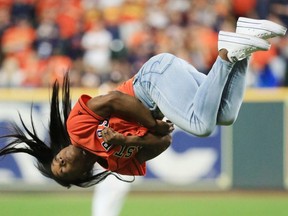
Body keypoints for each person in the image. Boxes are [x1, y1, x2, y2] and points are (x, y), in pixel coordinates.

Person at [0, 17, 286, 188]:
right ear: (79, 176)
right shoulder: (118, 165)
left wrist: (151, 125)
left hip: (151, 81)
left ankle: (225, 53)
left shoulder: (76, 128)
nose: (60, 160)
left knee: (202, 125)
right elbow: (162, 144)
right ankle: (245, 42)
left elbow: (115, 99)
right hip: (165, 84)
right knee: (224, 116)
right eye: (61, 169)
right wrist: (126, 141)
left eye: (56, 159)